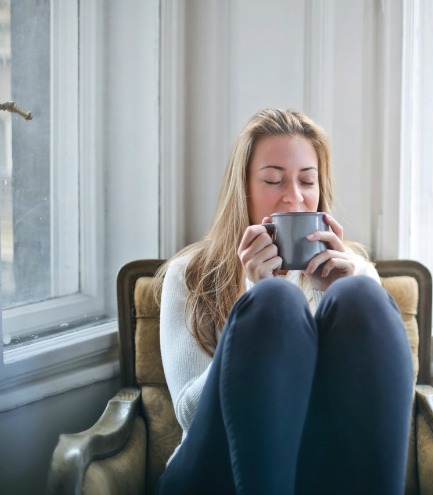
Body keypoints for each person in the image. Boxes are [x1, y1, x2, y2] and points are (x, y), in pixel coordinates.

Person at [155, 108, 414, 495]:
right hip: (213, 469)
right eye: (274, 180)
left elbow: (386, 412)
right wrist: (252, 295)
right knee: (275, 301)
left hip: (319, 469)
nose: (294, 198)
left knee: (360, 294)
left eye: (307, 181)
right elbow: (190, 415)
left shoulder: (354, 271)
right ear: (243, 188)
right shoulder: (189, 274)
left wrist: (333, 296)